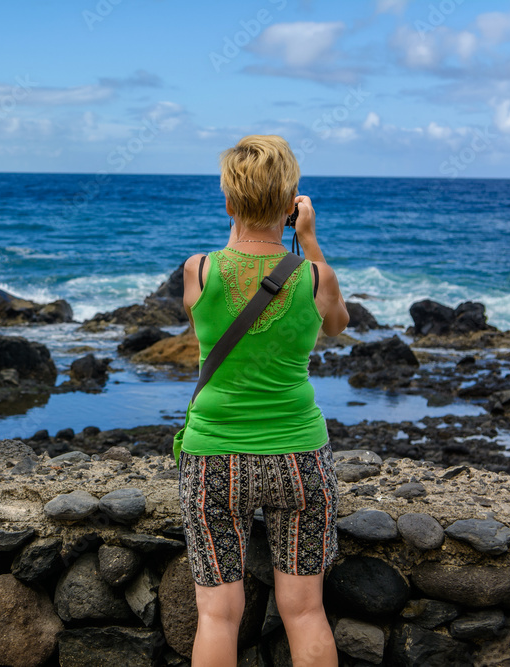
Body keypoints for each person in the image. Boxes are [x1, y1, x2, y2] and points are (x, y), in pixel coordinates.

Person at [178, 135, 349, 667]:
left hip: (214, 457)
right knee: (304, 612)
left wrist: (245, 225)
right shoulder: (314, 275)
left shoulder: (199, 270)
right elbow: (338, 324)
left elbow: (215, 323)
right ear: (290, 203)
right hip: (299, 456)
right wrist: (309, 239)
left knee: (216, 614)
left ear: (229, 203)